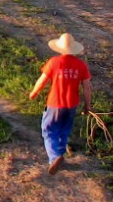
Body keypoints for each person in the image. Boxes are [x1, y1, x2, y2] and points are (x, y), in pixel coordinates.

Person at [27, 32, 92, 174]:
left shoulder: (54, 62)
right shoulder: (81, 65)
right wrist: (88, 105)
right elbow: (87, 88)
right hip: (72, 105)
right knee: (64, 130)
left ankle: (54, 158)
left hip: (55, 103)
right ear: (74, 49)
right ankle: (60, 155)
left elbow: (42, 80)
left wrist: (34, 93)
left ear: (60, 49)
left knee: (49, 131)